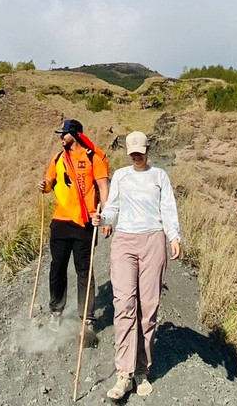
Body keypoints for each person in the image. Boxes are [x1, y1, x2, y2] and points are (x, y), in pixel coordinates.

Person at [93, 130, 180, 401]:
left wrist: (174, 235)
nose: (136, 156)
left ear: (148, 149)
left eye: (140, 152)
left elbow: (168, 208)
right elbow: (112, 207)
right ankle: (124, 374)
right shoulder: (121, 175)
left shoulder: (159, 176)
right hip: (124, 242)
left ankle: (142, 370)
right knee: (124, 304)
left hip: (153, 239)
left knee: (149, 307)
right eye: (132, 153)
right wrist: (103, 218)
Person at [38, 118, 109, 327]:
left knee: (84, 270)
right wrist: (44, 185)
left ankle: (86, 316)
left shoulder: (93, 157)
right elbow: (50, 182)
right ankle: (56, 311)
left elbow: (103, 188)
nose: (61, 137)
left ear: (75, 134)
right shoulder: (58, 158)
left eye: (64, 133)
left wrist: (106, 217)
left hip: (84, 223)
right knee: (57, 267)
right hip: (60, 221)